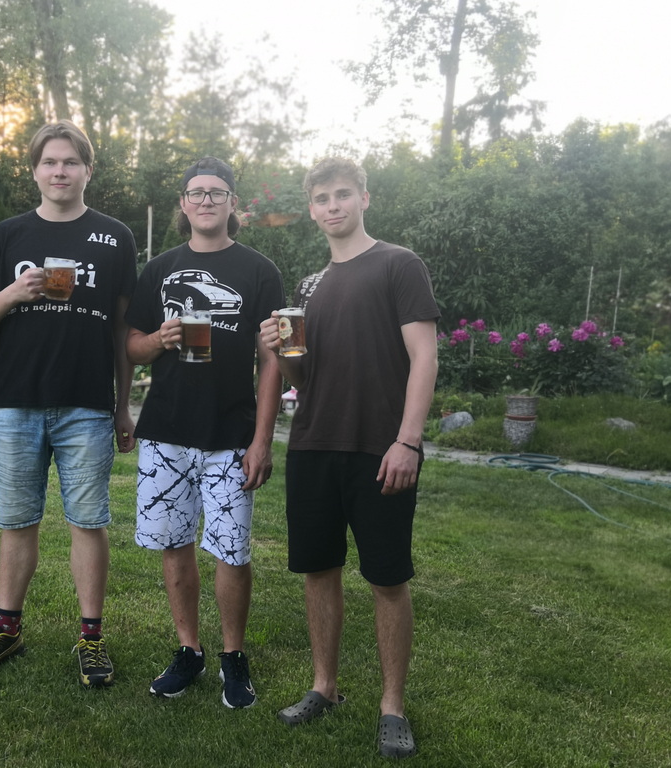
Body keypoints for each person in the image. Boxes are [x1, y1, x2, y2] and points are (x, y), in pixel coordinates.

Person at [259, 157, 439, 758]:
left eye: (343, 194)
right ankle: (324, 686)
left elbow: (425, 356)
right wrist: (279, 352)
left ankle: (392, 706)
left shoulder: (398, 264)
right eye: (322, 198)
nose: (332, 206)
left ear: (365, 198)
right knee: (318, 571)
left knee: (387, 578)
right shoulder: (309, 287)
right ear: (311, 210)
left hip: (380, 449)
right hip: (313, 444)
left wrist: (408, 440)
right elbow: (302, 380)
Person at [0, 120, 137, 687]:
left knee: (88, 521)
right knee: (16, 520)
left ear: (87, 170)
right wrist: (14, 291)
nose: (60, 171)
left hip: (86, 403)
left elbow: (123, 330)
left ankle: (91, 638)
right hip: (15, 402)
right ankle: (7, 628)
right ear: (33, 170)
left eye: (70, 162)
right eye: (50, 162)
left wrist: (122, 406)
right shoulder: (7, 235)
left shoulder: (115, 236)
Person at [125, 157, 285, 708]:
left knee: (232, 551)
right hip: (166, 430)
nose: (207, 200)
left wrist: (262, 440)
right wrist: (159, 340)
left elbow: (272, 361)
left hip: (231, 434)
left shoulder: (259, 271)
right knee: (174, 545)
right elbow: (132, 345)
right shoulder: (160, 269)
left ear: (233, 203)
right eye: (197, 192)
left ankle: (233, 657)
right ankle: (188, 650)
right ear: (184, 204)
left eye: (218, 192)